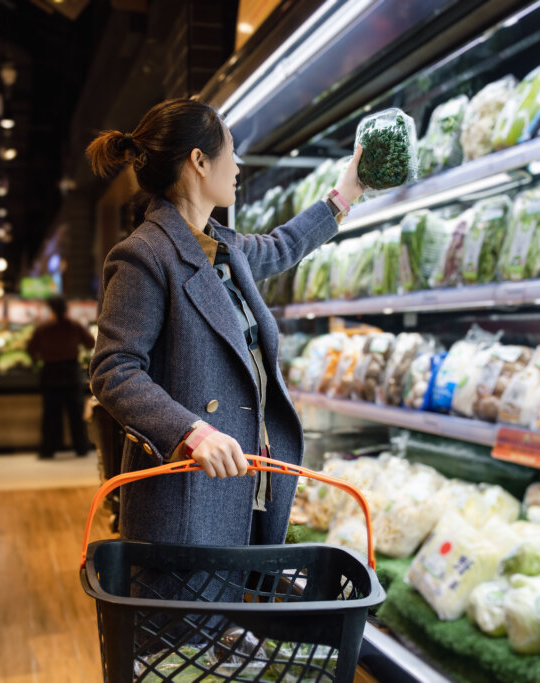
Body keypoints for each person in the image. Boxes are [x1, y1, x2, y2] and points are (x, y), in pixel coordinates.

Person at [87, 98, 364, 552]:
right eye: (230, 151)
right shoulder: (143, 255)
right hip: (187, 497)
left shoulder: (222, 248)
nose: (236, 166)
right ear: (199, 161)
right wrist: (190, 432)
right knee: (192, 620)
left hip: (242, 484)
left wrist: (345, 193)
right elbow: (113, 370)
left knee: (232, 615)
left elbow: (281, 246)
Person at [27, 296, 95, 458]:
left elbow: (31, 350)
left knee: (51, 414)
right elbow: (90, 343)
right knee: (76, 413)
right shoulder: (73, 325)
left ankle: (48, 449)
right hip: (70, 372)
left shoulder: (43, 328)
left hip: (50, 372)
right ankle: (81, 447)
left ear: (50, 308)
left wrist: (43, 355)